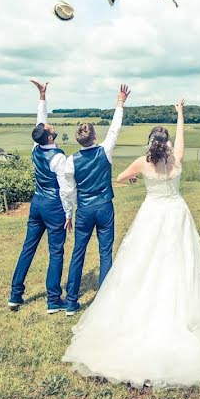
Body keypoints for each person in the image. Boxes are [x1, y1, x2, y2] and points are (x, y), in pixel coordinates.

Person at [62, 99, 200, 388]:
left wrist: (134, 180)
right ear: (166, 143)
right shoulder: (176, 159)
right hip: (176, 212)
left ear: (150, 143)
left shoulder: (142, 163)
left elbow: (119, 176)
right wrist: (180, 113)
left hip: (152, 213)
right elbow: (181, 139)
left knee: (144, 261)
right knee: (180, 261)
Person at [63, 84, 131, 316]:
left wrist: (69, 213)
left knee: (78, 253)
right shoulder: (105, 151)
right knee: (105, 252)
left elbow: (70, 190)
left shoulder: (71, 161)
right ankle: (104, 299)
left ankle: (71, 301)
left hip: (83, 209)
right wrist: (120, 103)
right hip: (103, 206)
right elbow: (115, 128)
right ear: (94, 136)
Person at [8, 79, 75, 314]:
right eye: (49, 128)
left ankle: (15, 295)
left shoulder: (36, 148)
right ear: (49, 137)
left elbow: (40, 122)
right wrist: (68, 213)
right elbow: (65, 189)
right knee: (56, 251)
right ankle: (53, 300)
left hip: (36, 203)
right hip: (54, 206)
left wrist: (43, 96)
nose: (50, 126)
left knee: (28, 248)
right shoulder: (58, 158)